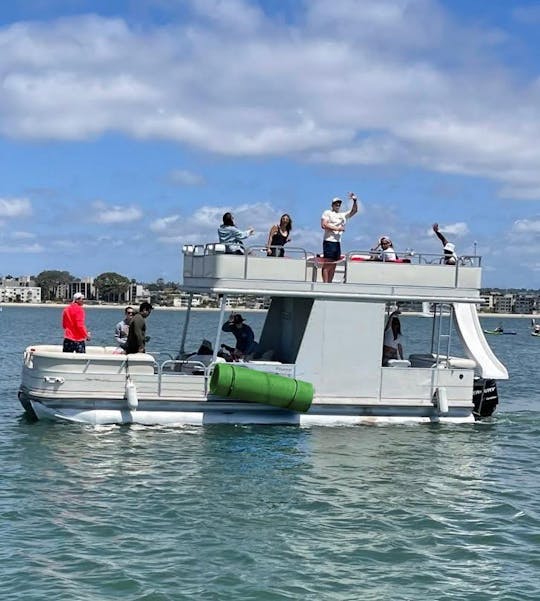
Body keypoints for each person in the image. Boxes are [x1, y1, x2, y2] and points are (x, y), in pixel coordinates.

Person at [320, 192, 358, 282]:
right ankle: (325, 283)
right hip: (329, 241)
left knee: (334, 264)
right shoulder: (327, 212)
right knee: (328, 263)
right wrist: (338, 228)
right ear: (332, 205)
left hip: (337, 242)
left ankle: (329, 283)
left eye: (339, 203)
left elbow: (354, 211)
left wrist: (355, 201)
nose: (337, 205)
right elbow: (324, 225)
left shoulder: (342, 215)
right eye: (336, 203)